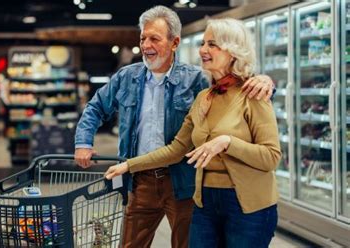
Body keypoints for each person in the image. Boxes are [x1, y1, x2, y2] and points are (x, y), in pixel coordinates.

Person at [75, 6, 274, 248]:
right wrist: (84, 142)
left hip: (183, 181)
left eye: (154, 39)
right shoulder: (127, 77)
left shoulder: (196, 80)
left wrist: (264, 80)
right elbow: (95, 107)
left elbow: (235, 87)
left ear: (174, 42)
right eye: (143, 38)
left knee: (185, 243)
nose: (146, 45)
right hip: (141, 180)